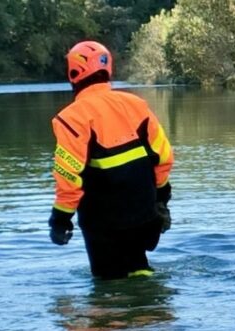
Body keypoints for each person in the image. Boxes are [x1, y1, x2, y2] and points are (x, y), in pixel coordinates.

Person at [48, 40, 174, 279]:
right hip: (144, 215)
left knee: (109, 291)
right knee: (140, 269)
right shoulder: (137, 105)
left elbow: (68, 177)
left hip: (104, 223)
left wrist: (60, 220)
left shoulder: (71, 119)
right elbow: (164, 157)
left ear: (73, 72)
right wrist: (162, 199)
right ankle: (148, 307)